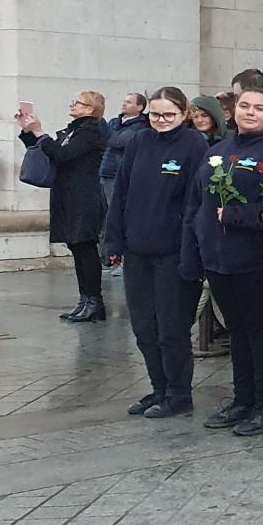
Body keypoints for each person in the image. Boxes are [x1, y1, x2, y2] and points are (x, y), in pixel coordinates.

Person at [186, 86, 263, 439]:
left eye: (259, 108)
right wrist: (201, 239)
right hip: (219, 257)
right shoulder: (216, 151)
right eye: (244, 106)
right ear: (233, 112)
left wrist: (238, 216)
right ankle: (242, 399)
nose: (250, 112)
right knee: (236, 330)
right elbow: (199, 201)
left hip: (259, 257)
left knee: (259, 330)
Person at [102, 87, 208, 419]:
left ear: (184, 114)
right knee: (144, 328)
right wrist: (113, 240)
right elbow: (121, 191)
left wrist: (191, 249)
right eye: (155, 115)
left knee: (171, 328)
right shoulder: (139, 142)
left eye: (168, 115)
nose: (161, 121)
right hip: (138, 249)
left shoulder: (195, 146)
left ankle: (179, 393)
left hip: (173, 251)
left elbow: (197, 202)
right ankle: (158, 387)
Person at [17, 91, 112, 323]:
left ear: (90, 109)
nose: (72, 104)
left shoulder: (92, 130)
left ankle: (95, 302)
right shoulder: (73, 129)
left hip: (84, 196)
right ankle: (84, 299)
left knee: (85, 248)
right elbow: (48, 152)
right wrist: (29, 131)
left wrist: (40, 131)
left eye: (78, 102)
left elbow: (63, 155)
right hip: (67, 195)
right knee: (76, 248)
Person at [101, 92, 147, 205]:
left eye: (129, 102)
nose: (124, 104)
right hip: (104, 170)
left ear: (140, 107)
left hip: (118, 173)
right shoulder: (114, 121)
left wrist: (102, 127)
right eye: (124, 101)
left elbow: (118, 142)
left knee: (115, 207)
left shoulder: (140, 126)